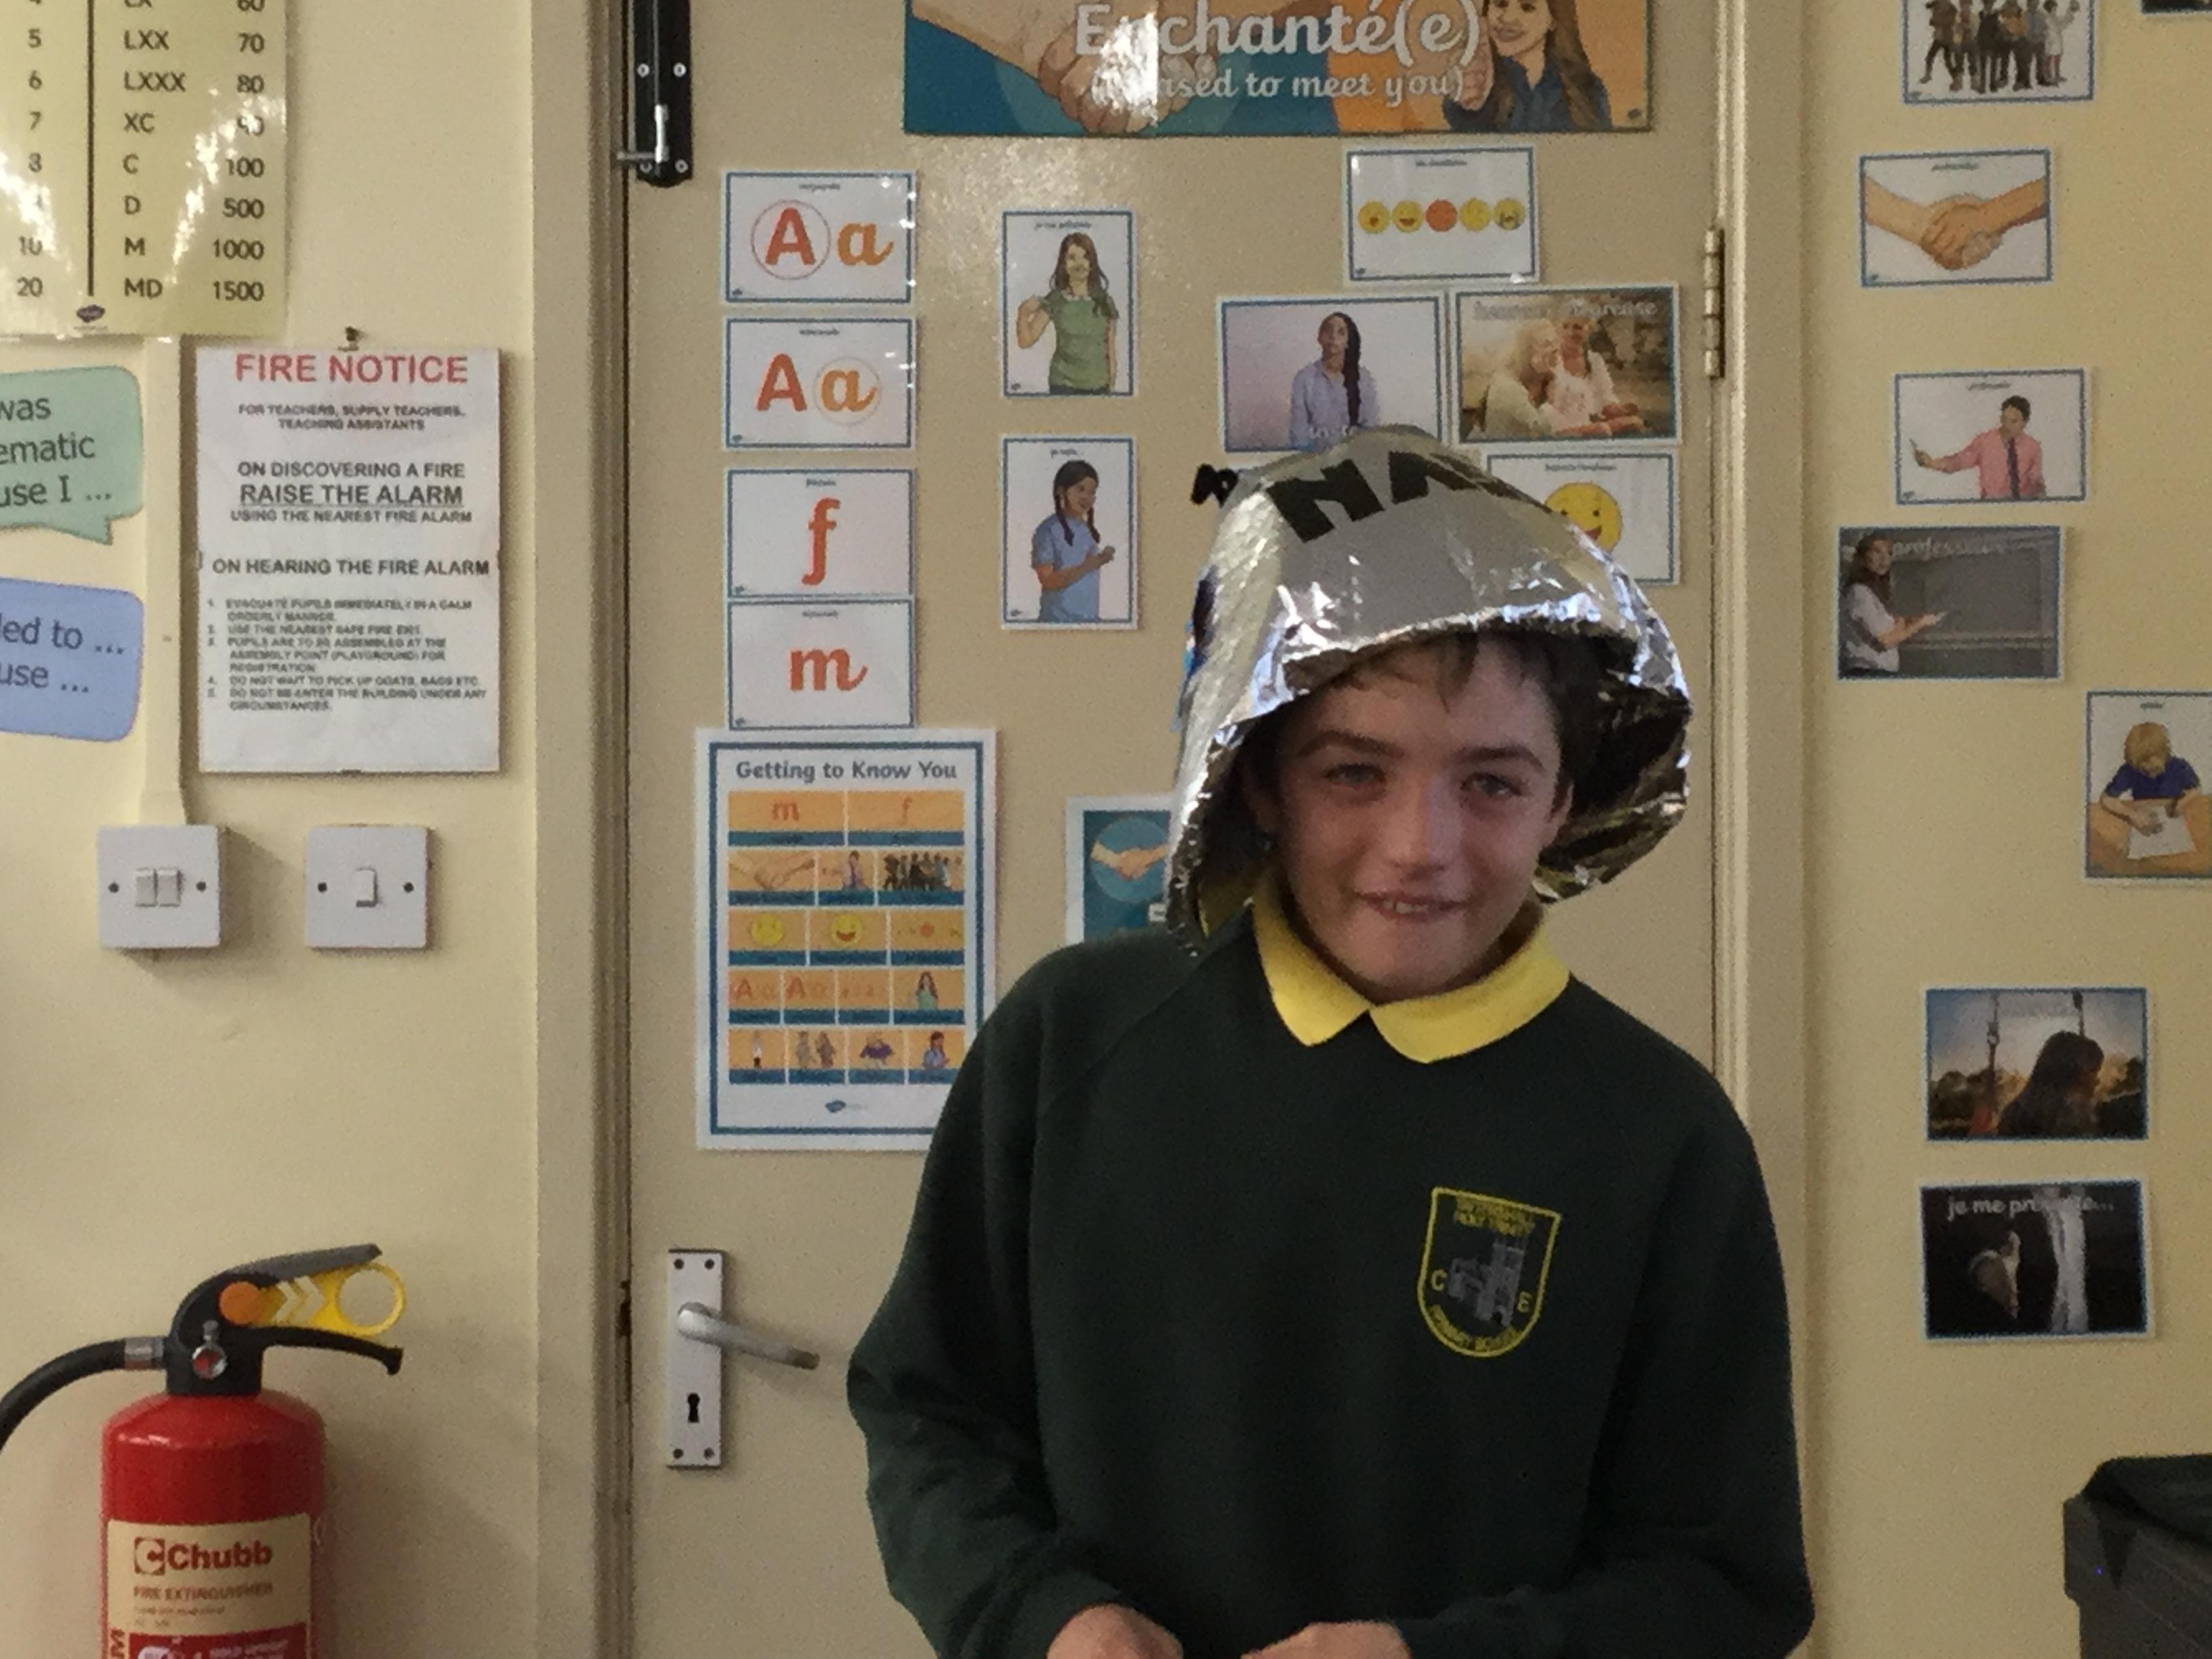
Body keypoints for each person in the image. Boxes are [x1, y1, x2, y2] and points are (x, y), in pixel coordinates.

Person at [849, 429, 1813, 1659]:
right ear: (1258, 781)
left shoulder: (1657, 1134)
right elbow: (929, 1411)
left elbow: (1725, 1584)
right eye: (1354, 772)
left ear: (1564, 802)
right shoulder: (1073, 1041)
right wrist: (1044, 1615)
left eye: (1492, 783)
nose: (1420, 847)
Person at [1443, 0, 1612, 131]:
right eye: (1500, 4)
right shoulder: (1474, 82)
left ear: (1554, 19)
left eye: (1527, 7)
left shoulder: (1587, 88)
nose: (1508, 18)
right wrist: (1471, 108)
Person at [1016, 232, 1120, 394]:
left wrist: (1112, 387)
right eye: (1072, 258)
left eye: (1085, 257)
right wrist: (1023, 313)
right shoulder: (1056, 300)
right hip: (1063, 385)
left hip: (1099, 386)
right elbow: (1026, 342)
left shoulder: (1105, 302)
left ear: (1092, 263)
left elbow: (1111, 351)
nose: (1079, 264)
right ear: (1063, 264)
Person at [1839, 533, 1944, 675]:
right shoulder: (1859, 593)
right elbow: (1885, 642)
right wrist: (1920, 624)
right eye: (1877, 552)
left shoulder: (1871, 594)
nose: (1884, 559)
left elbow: (1890, 630)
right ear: (1862, 558)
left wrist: (1907, 622)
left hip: (1876, 672)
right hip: (1867, 672)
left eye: (1889, 553)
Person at [1029, 458, 1118, 624]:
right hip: (1057, 622)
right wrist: (1087, 567)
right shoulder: (1048, 530)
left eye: (1092, 492)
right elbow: (1047, 580)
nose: (1087, 497)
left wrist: (1101, 559)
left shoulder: (1085, 529)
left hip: (1089, 622)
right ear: (1061, 491)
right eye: (1080, 489)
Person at [1912, 394, 2044, 499]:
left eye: (2013, 421)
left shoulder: (2033, 447)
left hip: (2023, 511)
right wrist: (1931, 463)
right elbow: (1959, 461)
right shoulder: (1985, 442)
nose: (2006, 426)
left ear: (2025, 422)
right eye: (2004, 419)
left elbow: (2036, 483)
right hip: (1990, 509)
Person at [2098, 720, 2204, 838]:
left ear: (2164, 752)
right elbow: (2107, 799)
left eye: (2151, 763)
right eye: (2141, 766)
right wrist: (2132, 814)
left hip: (2173, 823)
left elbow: (2196, 789)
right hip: (2144, 827)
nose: (2147, 768)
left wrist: (2184, 802)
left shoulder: (2179, 767)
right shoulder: (2130, 770)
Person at [1288, 312, 1377, 451]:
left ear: (1348, 341)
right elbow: (1299, 433)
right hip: (1315, 458)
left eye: (1341, 332)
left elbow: (1370, 429)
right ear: (1319, 337)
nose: (1333, 336)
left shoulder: (1363, 378)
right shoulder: (1305, 378)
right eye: (1328, 330)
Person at [1544, 311, 1641, 434]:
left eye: (1578, 328)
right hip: (1559, 428)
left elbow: (1605, 400)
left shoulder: (1595, 361)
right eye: (1565, 327)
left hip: (1589, 424)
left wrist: (1620, 410)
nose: (1570, 333)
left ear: (1590, 329)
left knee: (1635, 423)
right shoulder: (1549, 360)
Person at [1996, 1031, 2104, 1137]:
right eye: (2092, 1072)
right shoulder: (2071, 1117)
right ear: (2072, 1073)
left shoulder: (2015, 1111)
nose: (2096, 1081)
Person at [1475, 318, 1561, 439]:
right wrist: (1550, 403)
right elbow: (1543, 431)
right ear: (1528, 351)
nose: (1554, 350)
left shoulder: (1544, 379)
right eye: (1546, 344)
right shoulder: (1507, 387)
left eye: (1555, 344)